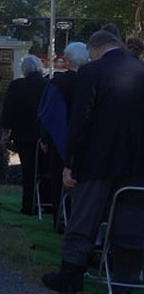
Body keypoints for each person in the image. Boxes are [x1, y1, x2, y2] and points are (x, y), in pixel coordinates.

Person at [42, 29, 144, 294]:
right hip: (136, 163)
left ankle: (71, 276)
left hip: (97, 160)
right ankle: (125, 283)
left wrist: (70, 161)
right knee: (130, 222)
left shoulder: (91, 72)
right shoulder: (141, 70)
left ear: (95, 49)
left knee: (84, 217)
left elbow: (80, 121)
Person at [37, 41, 90, 227]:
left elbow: (48, 114)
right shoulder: (92, 81)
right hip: (86, 142)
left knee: (58, 181)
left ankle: (59, 220)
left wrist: (44, 138)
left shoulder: (58, 82)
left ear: (67, 61)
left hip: (60, 140)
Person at [0, 54, 48, 215]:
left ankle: (28, 206)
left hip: (23, 135)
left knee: (28, 171)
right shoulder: (48, 85)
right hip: (43, 135)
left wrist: (5, 133)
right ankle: (46, 202)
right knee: (44, 169)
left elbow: (8, 112)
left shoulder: (16, 85)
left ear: (24, 70)